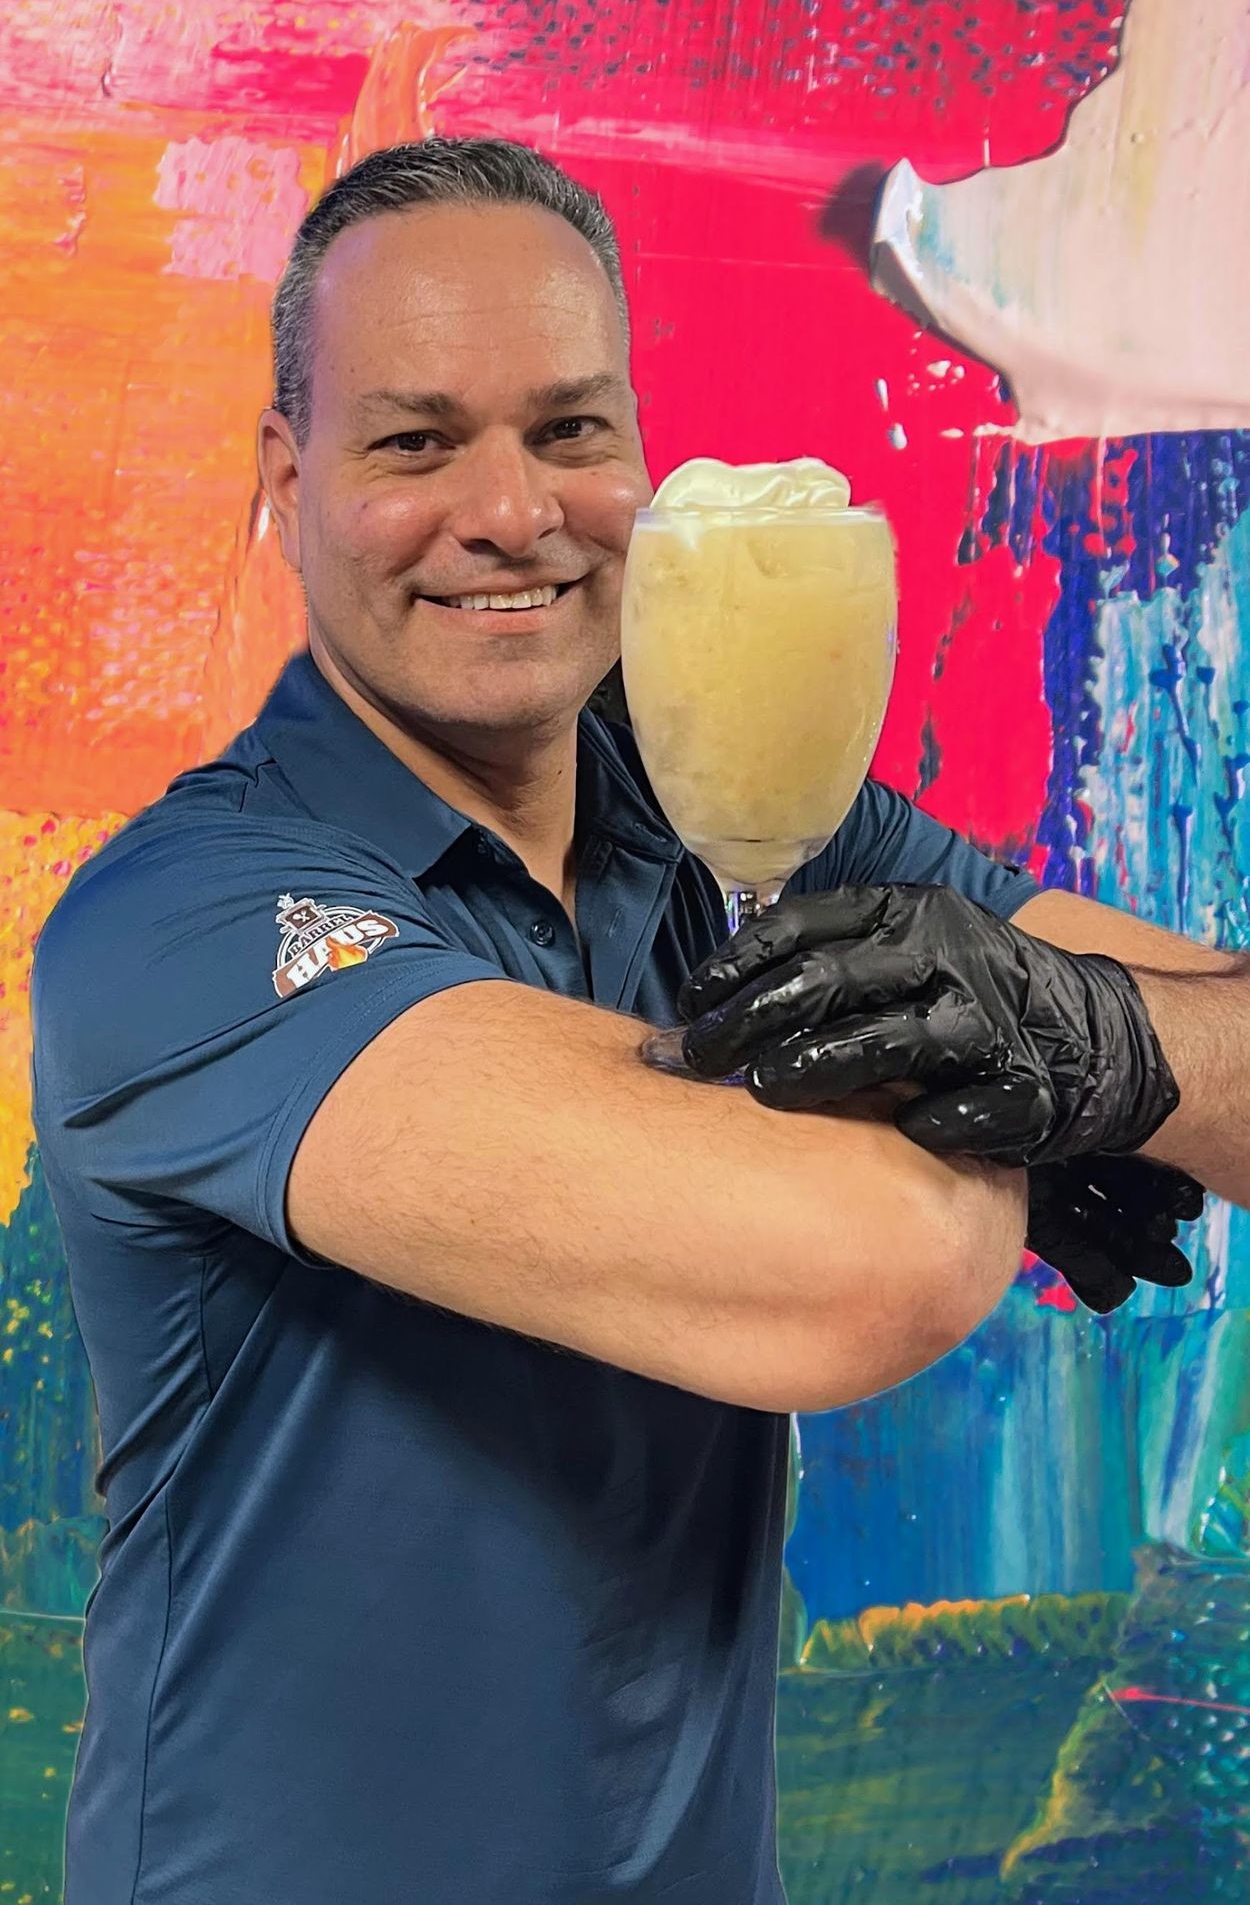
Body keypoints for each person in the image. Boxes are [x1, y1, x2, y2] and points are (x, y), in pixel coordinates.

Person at [27, 136, 1243, 1905]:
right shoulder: (182, 922)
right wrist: (1028, 1087)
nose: (511, 512)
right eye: (415, 443)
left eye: (570, 430)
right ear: (288, 481)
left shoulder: (741, 811)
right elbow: (868, 1263)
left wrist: (1092, 1041)